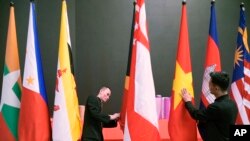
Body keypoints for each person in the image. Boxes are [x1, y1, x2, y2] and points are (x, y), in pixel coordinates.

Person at [181, 71, 238, 141]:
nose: (208, 86)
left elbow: (196, 114)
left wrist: (188, 101)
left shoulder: (216, 107)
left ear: (216, 88)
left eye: (210, 84)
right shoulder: (233, 104)